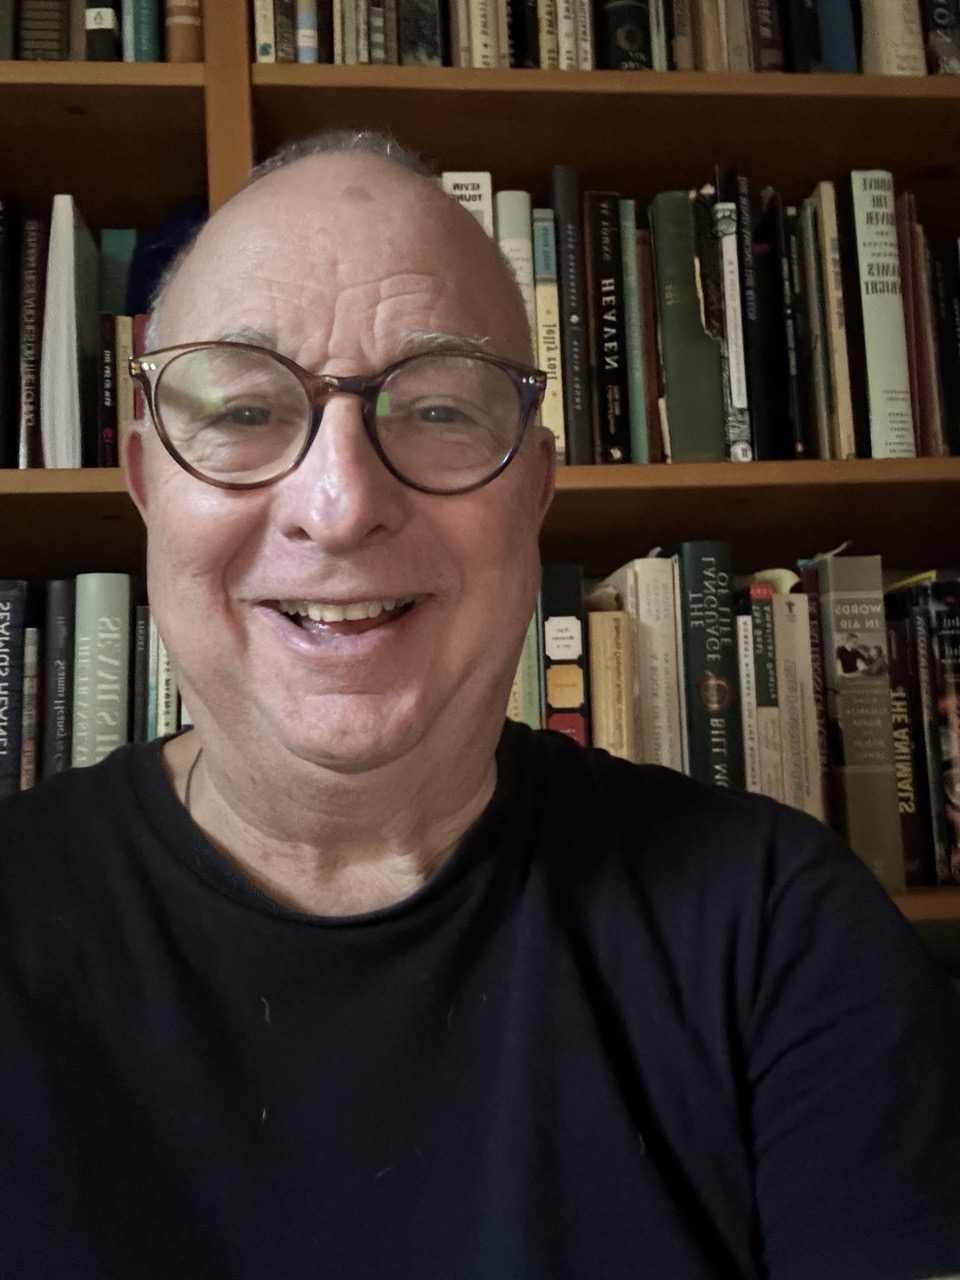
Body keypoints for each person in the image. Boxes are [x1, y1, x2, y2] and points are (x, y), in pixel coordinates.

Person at [1, 131, 959, 1280]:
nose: (341, 503)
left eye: (440, 409)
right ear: (149, 480)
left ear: (535, 490)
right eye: (247, 411)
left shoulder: (782, 935)